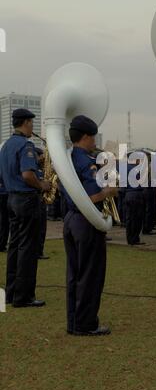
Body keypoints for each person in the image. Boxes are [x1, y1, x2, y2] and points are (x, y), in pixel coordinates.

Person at [61, 115, 117, 336]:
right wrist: (109, 191)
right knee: (90, 275)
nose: (94, 141)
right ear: (85, 137)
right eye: (92, 137)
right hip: (86, 221)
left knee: (74, 274)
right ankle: (86, 324)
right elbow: (90, 196)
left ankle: (74, 322)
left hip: (71, 220)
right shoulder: (86, 162)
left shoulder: (67, 159)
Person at [0, 109, 50, 307]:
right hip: (26, 200)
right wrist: (42, 185)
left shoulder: (6, 146)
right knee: (28, 249)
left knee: (15, 246)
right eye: (31, 123)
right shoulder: (25, 145)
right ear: (26, 123)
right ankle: (24, 297)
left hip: (11, 198)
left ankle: (12, 293)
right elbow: (28, 175)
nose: (33, 127)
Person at [35, 147, 49, 260]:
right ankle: (37, 251)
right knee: (38, 228)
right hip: (36, 201)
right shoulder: (34, 169)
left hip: (41, 201)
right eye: (41, 155)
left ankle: (39, 250)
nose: (43, 158)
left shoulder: (41, 168)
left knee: (42, 228)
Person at [0, 179, 9, 252]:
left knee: (4, 221)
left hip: (4, 193)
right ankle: (2, 245)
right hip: (4, 194)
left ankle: (2, 244)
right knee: (4, 221)